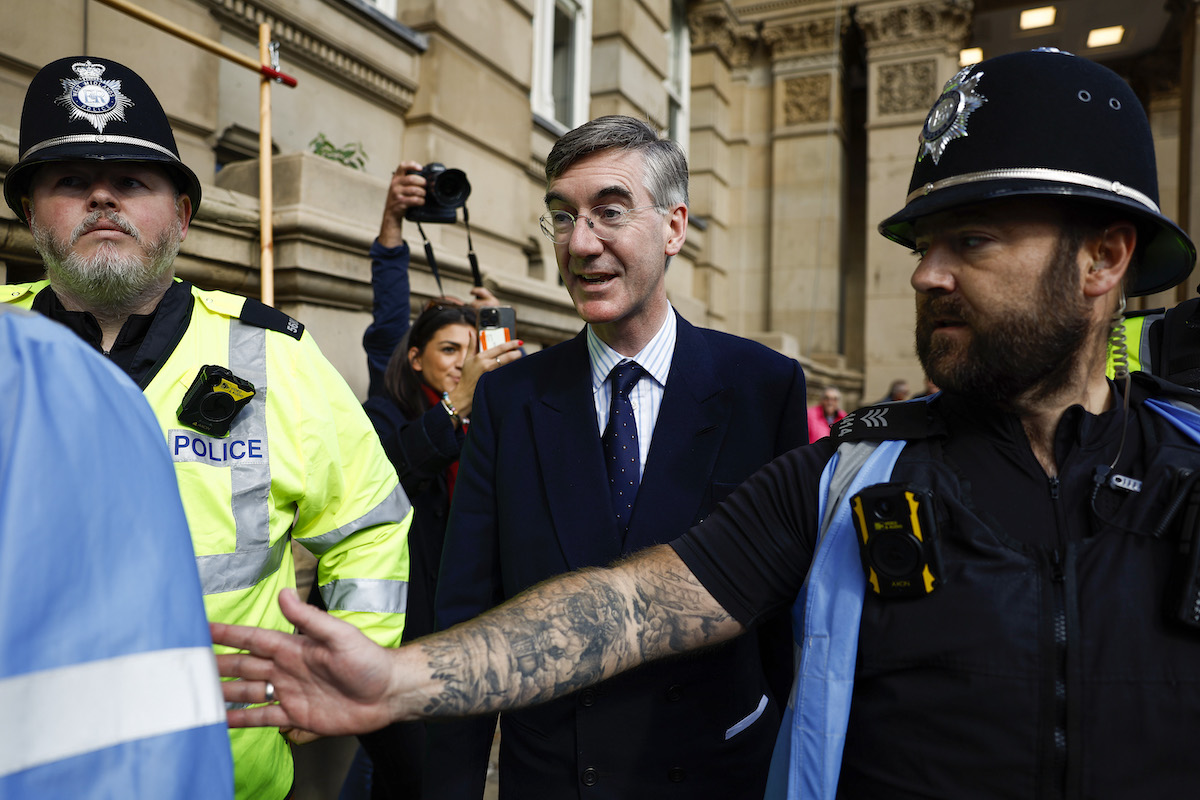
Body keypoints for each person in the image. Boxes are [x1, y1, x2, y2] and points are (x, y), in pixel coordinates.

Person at [214, 49, 1200, 798]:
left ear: (1105, 256)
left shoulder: (1186, 472)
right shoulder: (848, 477)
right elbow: (626, 608)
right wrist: (403, 678)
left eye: (972, 240)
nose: (925, 272)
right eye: (925, 241)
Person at [1, 56, 413, 800]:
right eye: (70, 181)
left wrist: (350, 658)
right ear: (30, 214)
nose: (102, 197)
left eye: (132, 182)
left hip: (230, 779)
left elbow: (371, 524)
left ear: (182, 217)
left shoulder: (274, 357)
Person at [423, 115, 807, 799]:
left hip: (716, 775)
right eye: (562, 217)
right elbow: (466, 614)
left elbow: (786, 614)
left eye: (609, 213)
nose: (580, 243)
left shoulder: (762, 387)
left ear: (673, 227)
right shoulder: (511, 400)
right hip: (555, 777)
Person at [0, 306, 233, 798]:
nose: (104, 221)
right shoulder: (27, 350)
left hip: (227, 748)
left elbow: (367, 516)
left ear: (185, 224)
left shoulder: (269, 345)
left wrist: (361, 653)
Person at [343, 166, 523, 800]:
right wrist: (392, 223)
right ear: (415, 358)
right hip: (402, 627)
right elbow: (389, 466)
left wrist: (493, 326)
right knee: (408, 768)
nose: (463, 363)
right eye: (450, 350)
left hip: (465, 629)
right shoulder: (391, 408)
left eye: (471, 351)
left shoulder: (489, 416)